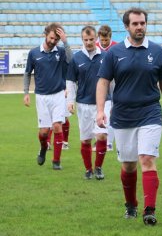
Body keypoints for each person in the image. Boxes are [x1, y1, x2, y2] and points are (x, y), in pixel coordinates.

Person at [96, 7, 162, 225]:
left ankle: (149, 209)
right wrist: (100, 110)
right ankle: (131, 205)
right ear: (126, 26)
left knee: (147, 159)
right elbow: (103, 82)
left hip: (150, 112)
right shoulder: (114, 53)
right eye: (135, 24)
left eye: (143, 23)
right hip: (122, 116)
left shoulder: (157, 52)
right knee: (129, 165)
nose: (140, 27)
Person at [23, 23, 72, 170]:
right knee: (44, 132)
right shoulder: (34, 53)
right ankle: (43, 147)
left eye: (56, 39)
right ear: (45, 35)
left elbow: (72, 61)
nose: (53, 41)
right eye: (51, 38)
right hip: (41, 97)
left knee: (57, 126)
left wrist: (65, 41)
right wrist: (26, 93)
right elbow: (27, 73)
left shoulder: (61, 51)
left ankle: (56, 161)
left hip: (58, 94)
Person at [66, 25, 108, 180]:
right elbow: (70, 81)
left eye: (91, 39)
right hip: (83, 103)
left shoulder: (105, 57)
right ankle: (88, 169)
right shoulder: (76, 58)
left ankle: (98, 168)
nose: (89, 42)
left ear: (96, 38)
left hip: (103, 104)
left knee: (102, 136)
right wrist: (70, 101)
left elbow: (113, 79)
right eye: (86, 40)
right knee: (86, 139)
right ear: (82, 40)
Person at [93, 24, 117, 151]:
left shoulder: (116, 47)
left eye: (106, 40)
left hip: (114, 84)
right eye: (101, 40)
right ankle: (99, 140)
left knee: (112, 113)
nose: (103, 42)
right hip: (100, 84)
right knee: (98, 113)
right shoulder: (95, 47)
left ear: (110, 37)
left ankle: (109, 142)